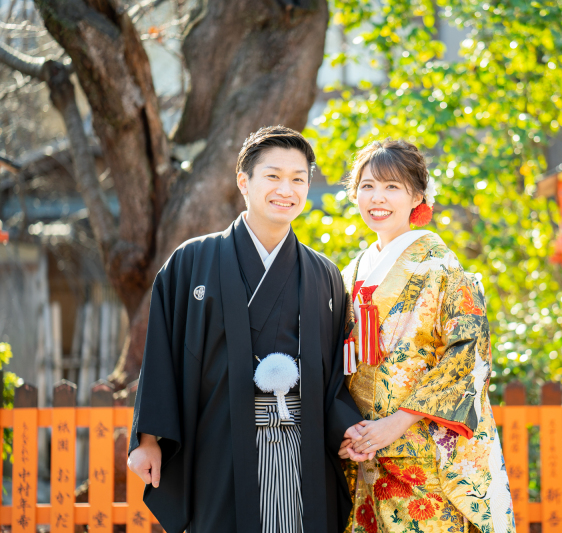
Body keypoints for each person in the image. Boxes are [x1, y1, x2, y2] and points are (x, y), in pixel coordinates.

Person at [127, 125, 365, 533]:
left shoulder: (323, 274)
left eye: (298, 179)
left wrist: (344, 425)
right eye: (273, 176)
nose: (285, 190)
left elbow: (333, 376)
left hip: (301, 441)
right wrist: (148, 439)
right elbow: (161, 355)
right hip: (219, 438)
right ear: (244, 181)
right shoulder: (191, 262)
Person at [337, 140, 515, 533]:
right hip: (365, 452)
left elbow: (468, 354)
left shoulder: (441, 267)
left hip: (423, 452)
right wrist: (344, 427)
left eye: (392, 187)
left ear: (417, 196)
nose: (377, 198)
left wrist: (398, 422)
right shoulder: (349, 273)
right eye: (367, 186)